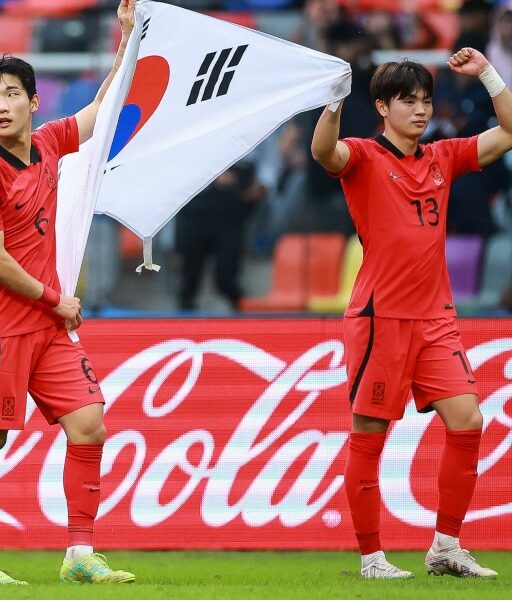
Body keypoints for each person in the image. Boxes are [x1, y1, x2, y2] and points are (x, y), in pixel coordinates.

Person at [0, 0, 137, 586]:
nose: (0, 105)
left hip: (48, 329)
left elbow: (103, 111)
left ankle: (79, 555)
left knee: (90, 425)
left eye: (11, 94)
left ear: (33, 102)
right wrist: (56, 298)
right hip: (3, 328)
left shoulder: (52, 142)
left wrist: (126, 40)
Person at [311, 49, 509, 580]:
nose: (421, 110)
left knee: (468, 420)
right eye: (408, 101)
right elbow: (324, 153)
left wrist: (488, 74)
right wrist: (332, 104)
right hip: (381, 320)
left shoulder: (442, 157)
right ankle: (372, 558)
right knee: (370, 435)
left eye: (425, 100)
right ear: (381, 107)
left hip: (436, 318)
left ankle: (446, 546)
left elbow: (509, 132)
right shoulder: (363, 157)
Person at [174, 161, 264, 311]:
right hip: (195, 210)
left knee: (226, 278)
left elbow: (266, 161)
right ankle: (183, 327)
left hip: (230, 209)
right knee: (189, 281)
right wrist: (212, 174)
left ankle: (248, 315)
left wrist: (263, 183)